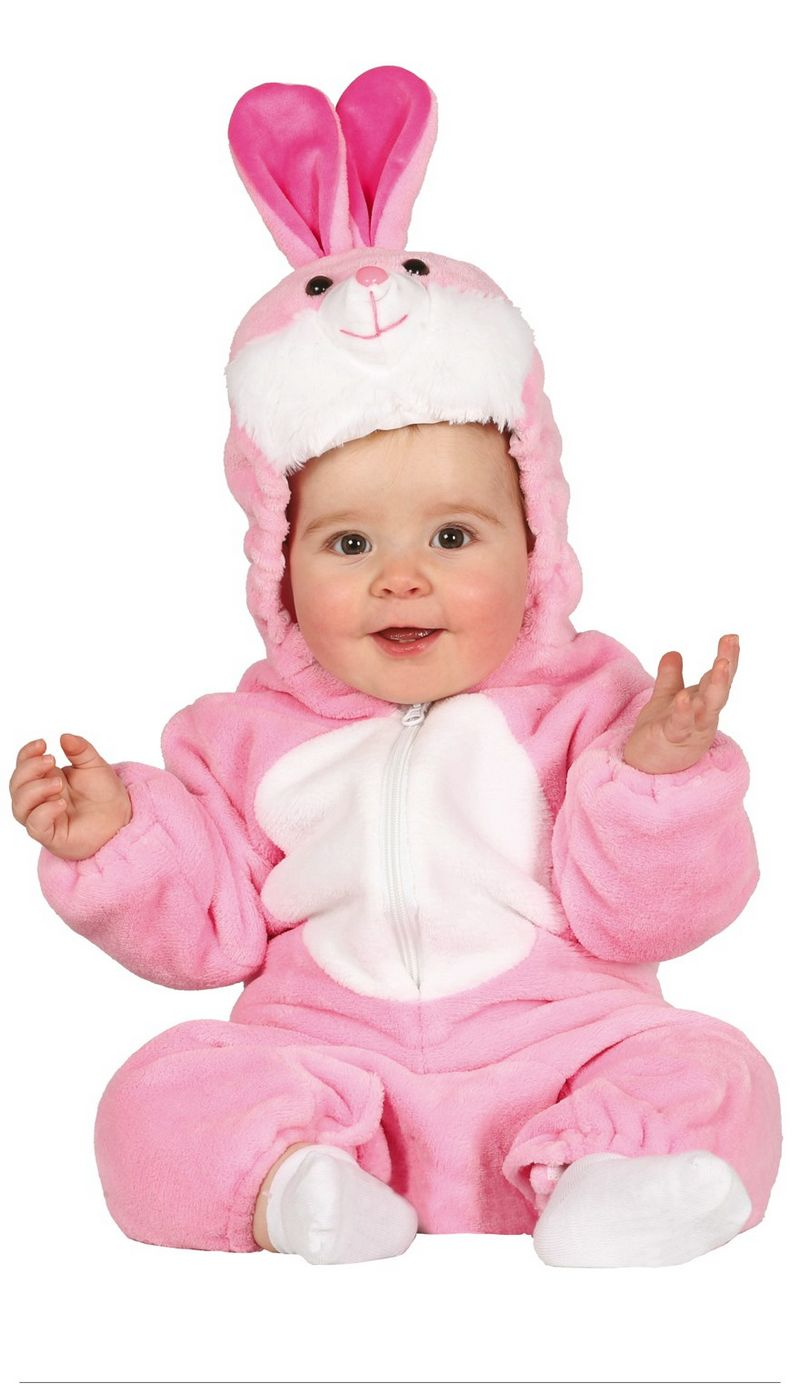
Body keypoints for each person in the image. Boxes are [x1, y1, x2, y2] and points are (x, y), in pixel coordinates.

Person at [8, 66, 781, 1268]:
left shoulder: (590, 707)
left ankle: (612, 1183)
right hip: (329, 1069)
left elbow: (655, 910)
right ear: (275, 559)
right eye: (349, 544)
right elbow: (204, 937)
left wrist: (661, 782)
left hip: (560, 1060)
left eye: (453, 538)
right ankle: (296, 1187)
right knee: (152, 1093)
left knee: (713, 1068)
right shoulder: (238, 739)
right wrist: (117, 839)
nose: (399, 579)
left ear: (536, 543)